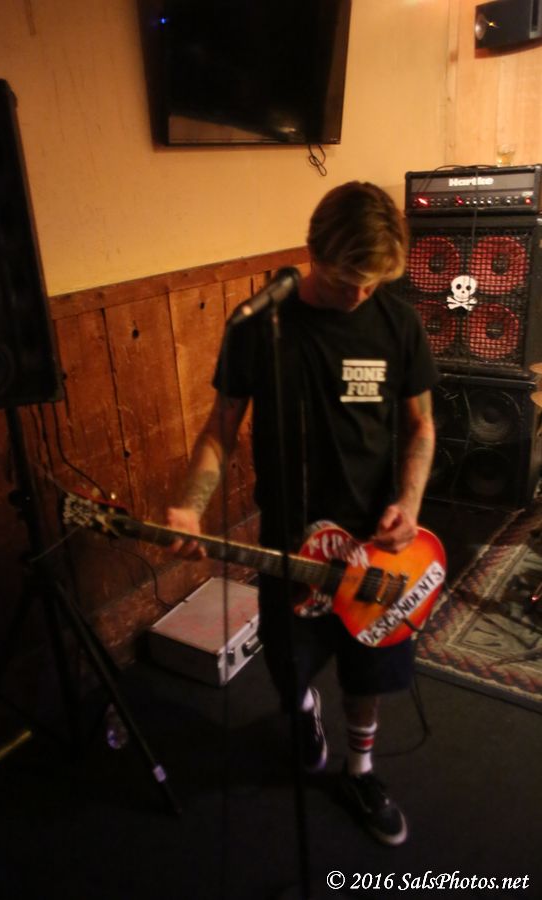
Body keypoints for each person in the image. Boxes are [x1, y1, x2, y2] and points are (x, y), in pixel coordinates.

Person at [167, 181, 437, 847]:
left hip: (377, 548)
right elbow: (219, 430)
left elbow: (421, 427)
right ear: (313, 251)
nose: (361, 294)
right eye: (349, 280)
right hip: (288, 544)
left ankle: (361, 769)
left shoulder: (398, 322)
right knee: (288, 669)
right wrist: (191, 506)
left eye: (374, 281)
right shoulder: (258, 326)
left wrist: (409, 504)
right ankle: (304, 709)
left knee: (369, 672)